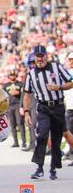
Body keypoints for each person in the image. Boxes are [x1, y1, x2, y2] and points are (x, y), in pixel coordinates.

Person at [23, 45, 73, 180]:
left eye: (42, 56)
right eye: (37, 56)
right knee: (42, 134)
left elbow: (71, 82)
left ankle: (53, 168)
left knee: (56, 139)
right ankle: (39, 167)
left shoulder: (56, 67)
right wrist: (27, 112)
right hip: (43, 107)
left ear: (46, 56)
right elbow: (27, 95)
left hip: (57, 107)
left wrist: (59, 87)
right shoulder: (31, 74)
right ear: (34, 57)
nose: (39, 59)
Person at [2, 70, 26, 149]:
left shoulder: (20, 84)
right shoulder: (5, 85)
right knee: (12, 125)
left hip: (17, 105)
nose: (12, 76)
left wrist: (18, 92)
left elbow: (23, 94)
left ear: (16, 75)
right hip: (9, 106)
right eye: (11, 75)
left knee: (20, 123)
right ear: (9, 76)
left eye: (13, 75)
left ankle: (24, 142)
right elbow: (3, 96)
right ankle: (16, 142)